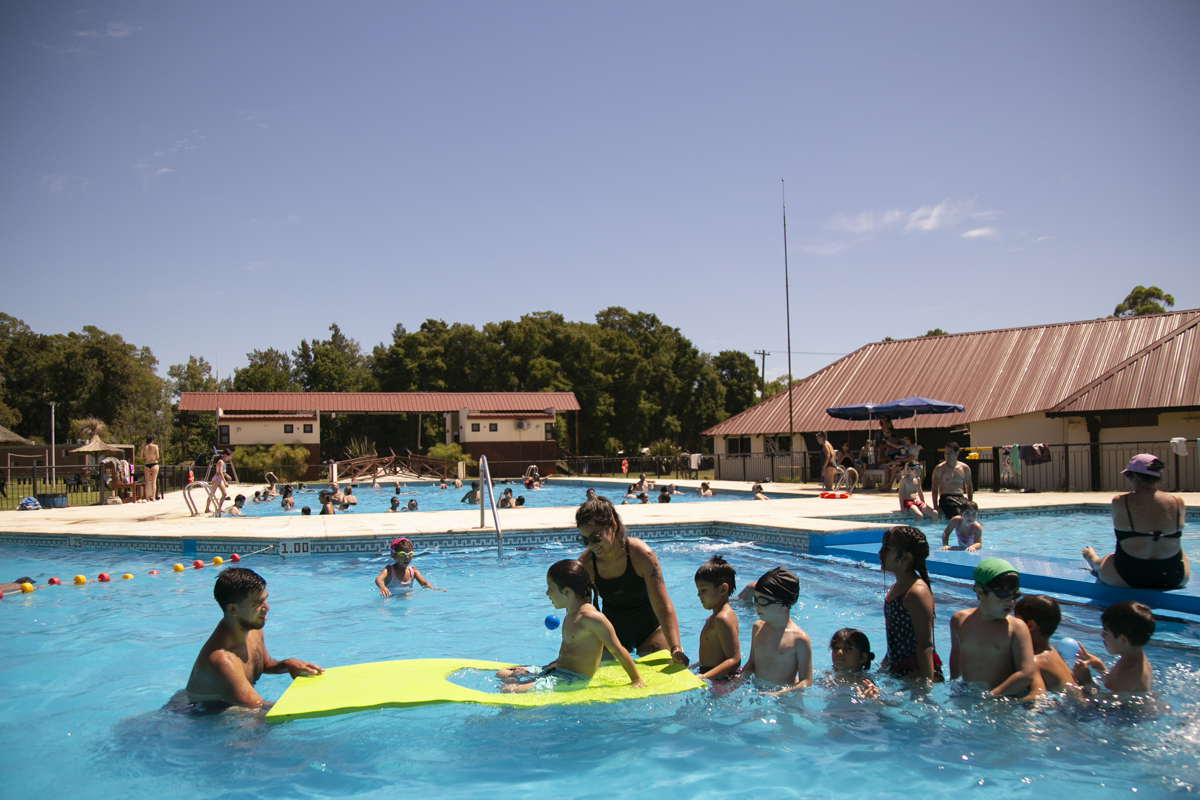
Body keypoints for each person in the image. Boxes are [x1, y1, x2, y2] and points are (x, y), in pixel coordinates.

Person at [496, 560, 644, 693]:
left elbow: (618, 650)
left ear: (567, 591)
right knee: (502, 673)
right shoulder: (570, 613)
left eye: (550, 588)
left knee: (509, 690)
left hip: (572, 679)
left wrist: (636, 680)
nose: (547, 593)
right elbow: (568, 652)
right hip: (557, 671)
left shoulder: (591, 618)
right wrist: (546, 668)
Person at [185, 568, 323, 707]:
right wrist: (313, 704)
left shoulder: (252, 630)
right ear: (233, 609)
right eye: (257, 603)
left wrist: (286, 665)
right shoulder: (223, 660)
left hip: (234, 704)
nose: (267, 608)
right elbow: (257, 707)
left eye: (265, 600)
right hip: (203, 711)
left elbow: (264, 664)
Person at [575, 497, 689, 664]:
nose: (591, 545)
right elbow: (578, 613)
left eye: (596, 537)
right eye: (584, 540)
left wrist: (676, 647)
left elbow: (662, 604)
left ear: (613, 525)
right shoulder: (586, 565)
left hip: (650, 633)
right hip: (611, 635)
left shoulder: (641, 555)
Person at [1083, 454, 1189, 590]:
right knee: (1179, 551)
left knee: (1109, 559)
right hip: (1174, 578)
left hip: (1128, 578)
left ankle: (1094, 560)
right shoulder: (1178, 502)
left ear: (1135, 476)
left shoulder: (1120, 502)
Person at [948, 558, 1042, 698]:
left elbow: (1026, 674)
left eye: (1015, 595)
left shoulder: (1016, 628)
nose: (1010, 601)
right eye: (1002, 594)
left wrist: (991, 696)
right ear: (981, 592)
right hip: (969, 694)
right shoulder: (959, 620)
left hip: (1002, 699)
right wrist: (954, 685)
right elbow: (956, 656)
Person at [878, 525, 944, 681]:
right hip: (899, 671)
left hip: (917, 673)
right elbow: (895, 636)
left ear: (906, 558)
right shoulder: (897, 587)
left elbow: (925, 645)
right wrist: (884, 667)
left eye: (887, 549)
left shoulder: (916, 592)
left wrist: (926, 686)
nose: (880, 553)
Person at [740, 567, 812, 694]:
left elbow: (806, 681)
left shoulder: (799, 639)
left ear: (783, 604)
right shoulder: (757, 628)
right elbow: (751, 663)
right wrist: (740, 679)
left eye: (762, 601)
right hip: (758, 691)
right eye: (755, 599)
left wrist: (780, 693)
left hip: (783, 697)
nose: (755, 605)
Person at [1071, 601, 1155, 696]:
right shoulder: (1133, 659)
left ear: (1123, 641)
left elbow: (1105, 702)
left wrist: (1087, 682)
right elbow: (1112, 682)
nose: (1102, 635)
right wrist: (1098, 665)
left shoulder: (1128, 673)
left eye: (1106, 633)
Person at [693, 556, 740, 681]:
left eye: (703, 590)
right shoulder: (713, 618)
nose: (698, 594)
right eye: (698, 590)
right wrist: (694, 666)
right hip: (713, 675)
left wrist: (703, 676)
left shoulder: (722, 619)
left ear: (723, 589)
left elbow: (734, 660)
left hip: (722, 680)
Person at [1014, 594, 1074, 692]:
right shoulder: (1052, 651)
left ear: (1030, 625)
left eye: (1017, 621)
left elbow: (1038, 696)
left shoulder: (1034, 662)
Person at [374, 538, 443, 596]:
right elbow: (378, 579)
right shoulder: (389, 570)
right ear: (394, 556)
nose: (407, 557)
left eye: (410, 554)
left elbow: (424, 583)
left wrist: (432, 589)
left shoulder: (413, 572)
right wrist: (382, 587)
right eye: (402, 554)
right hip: (391, 600)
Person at [827, 628, 878, 698]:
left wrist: (871, 699)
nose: (839, 652)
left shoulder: (864, 683)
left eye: (848, 648)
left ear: (863, 657)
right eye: (836, 648)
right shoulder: (829, 677)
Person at [931, 441, 973, 520]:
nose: (947, 455)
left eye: (950, 452)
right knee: (958, 514)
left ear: (957, 453)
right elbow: (934, 488)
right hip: (946, 499)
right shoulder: (940, 468)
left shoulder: (965, 468)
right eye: (945, 452)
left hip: (961, 498)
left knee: (971, 513)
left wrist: (970, 503)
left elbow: (969, 486)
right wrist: (935, 506)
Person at [140, 435, 160, 501]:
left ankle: (147, 498)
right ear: (152, 440)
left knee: (147, 482)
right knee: (154, 482)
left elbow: (140, 458)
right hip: (154, 464)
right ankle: (153, 498)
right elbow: (157, 457)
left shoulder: (143, 447)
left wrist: (145, 457)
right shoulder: (155, 446)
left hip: (147, 464)